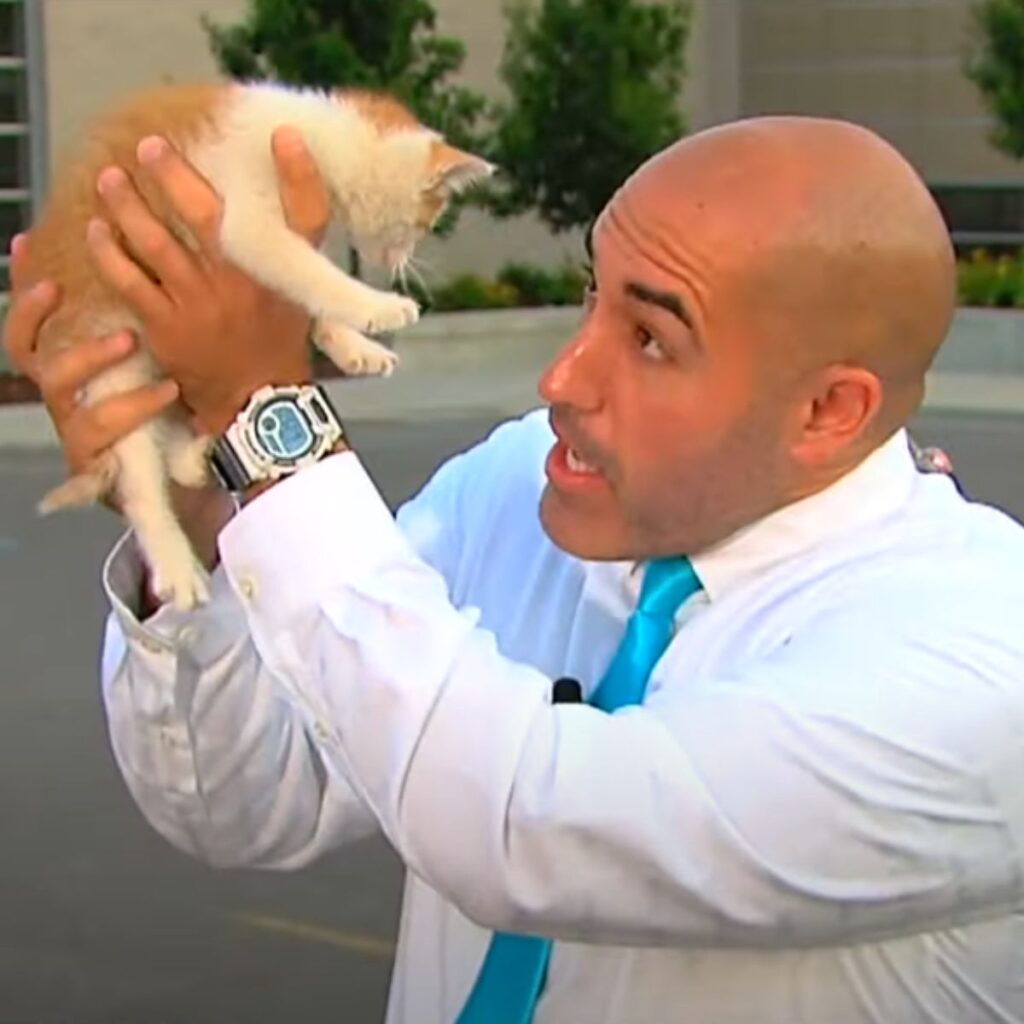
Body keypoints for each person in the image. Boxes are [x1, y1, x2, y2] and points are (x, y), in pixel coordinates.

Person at [7, 115, 1024, 1024]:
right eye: (591, 295)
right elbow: (243, 799)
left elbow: (525, 821)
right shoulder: (521, 481)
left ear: (828, 412)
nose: (561, 377)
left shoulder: (980, 656)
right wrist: (196, 506)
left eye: (650, 338)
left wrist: (267, 419)